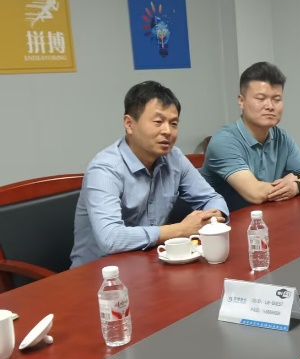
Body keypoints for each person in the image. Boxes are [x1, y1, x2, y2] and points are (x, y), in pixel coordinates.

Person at [71, 81, 228, 268]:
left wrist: (212, 219)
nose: (167, 131)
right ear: (129, 124)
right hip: (98, 275)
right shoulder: (105, 169)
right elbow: (110, 238)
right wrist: (181, 229)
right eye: (158, 122)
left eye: (174, 123)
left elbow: (211, 199)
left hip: (151, 263)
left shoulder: (174, 158)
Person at [201, 62, 300, 211]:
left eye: (276, 99)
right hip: (224, 221)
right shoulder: (223, 141)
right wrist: (291, 181)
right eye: (260, 98)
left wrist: (296, 185)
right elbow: (256, 193)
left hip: (263, 216)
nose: (270, 106)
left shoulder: (281, 138)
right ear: (241, 101)